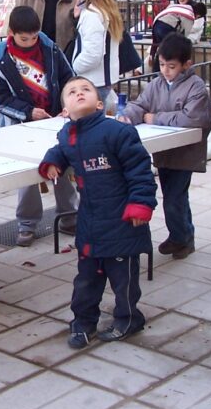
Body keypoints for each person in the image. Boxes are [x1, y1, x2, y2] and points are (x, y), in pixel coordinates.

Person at [40, 77, 157, 348]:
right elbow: (61, 151)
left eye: (85, 90)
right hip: (91, 222)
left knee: (123, 281)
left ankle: (129, 318)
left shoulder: (117, 132)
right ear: (65, 111)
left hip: (122, 221)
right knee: (86, 280)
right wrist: (52, 162)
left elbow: (140, 171)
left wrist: (141, 204)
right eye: (71, 92)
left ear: (100, 104)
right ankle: (82, 322)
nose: (79, 93)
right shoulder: (66, 135)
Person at [119, 34, 211, 260]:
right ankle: (182, 235)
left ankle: (182, 238)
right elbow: (140, 104)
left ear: (186, 65)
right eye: (162, 65)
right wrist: (128, 117)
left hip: (186, 152)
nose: (165, 71)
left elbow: (192, 118)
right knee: (174, 196)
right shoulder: (156, 84)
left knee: (174, 198)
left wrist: (156, 118)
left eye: (171, 66)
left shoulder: (196, 86)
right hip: (165, 151)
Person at [0, 5, 77, 247]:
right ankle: (27, 223)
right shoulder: (1, 59)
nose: (29, 42)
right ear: (12, 33)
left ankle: (69, 215)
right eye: (23, 38)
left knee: (61, 166)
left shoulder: (50, 49)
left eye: (34, 37)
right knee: (27, 175)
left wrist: (68, 103)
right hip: (20, 127)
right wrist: (28, 112)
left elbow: (69, 78)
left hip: (55, 119)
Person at [71, 0, 122, 103]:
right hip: (102, 79)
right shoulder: (106, 8)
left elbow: (93, 54)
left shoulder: (92, 14)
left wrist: (75, 66)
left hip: (93, 81)